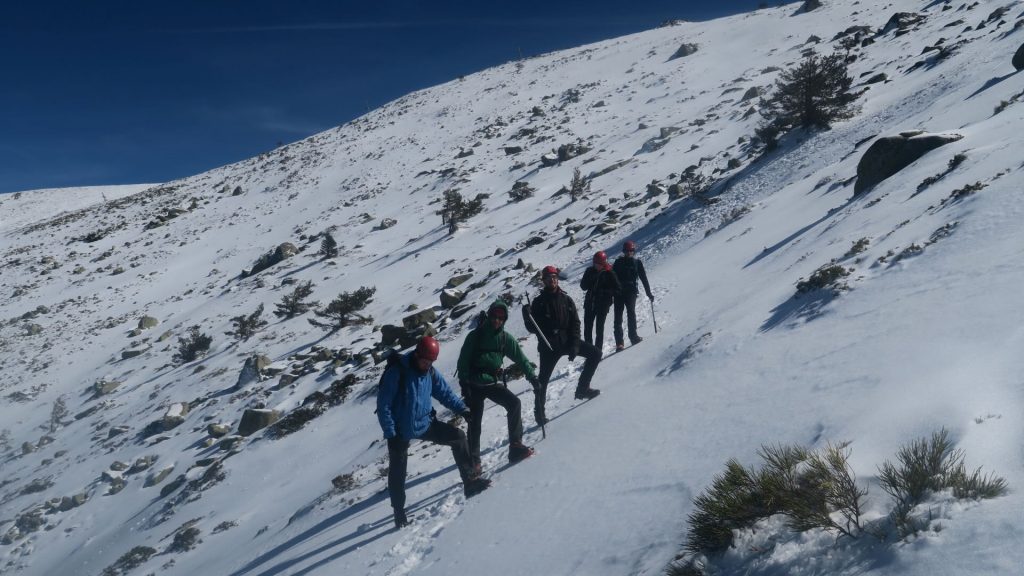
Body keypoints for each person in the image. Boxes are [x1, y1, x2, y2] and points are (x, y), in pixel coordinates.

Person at [377, 336, 491, 529]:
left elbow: (444, 393)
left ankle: (470, 482)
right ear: (417, 354)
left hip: (425, 423)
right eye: (424, 360)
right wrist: (390, 432)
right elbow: (384, 405)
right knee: (398, 471)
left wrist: (462, 409)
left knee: (458, 437)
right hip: (399, 430)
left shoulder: (430, 372)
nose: (426, 364)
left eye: (430, 362)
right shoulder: (398, 372)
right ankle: (399, 512)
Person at [457, 300, 540, 468]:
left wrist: (532, 377)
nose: (497, 320)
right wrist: (464, 384)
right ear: (489, 315)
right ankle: (474, 461)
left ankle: (515, 446)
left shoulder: (505, 339)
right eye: (494, 316)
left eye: (501, 317)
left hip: (491, 383)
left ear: (505, 319)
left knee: (514, 404)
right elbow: (463, 361)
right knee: (475, 422)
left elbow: (521, 359)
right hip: (473, 384)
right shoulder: (475, 336)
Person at [523, 265, 602, 426]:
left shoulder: (566, 299)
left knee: (595, 354)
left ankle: (583, 389)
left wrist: (574, 345)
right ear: (543, 281)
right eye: (548, 278)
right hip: (548, 346)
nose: (552, 280)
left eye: (554, 277)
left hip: (567, 341)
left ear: (557, 279)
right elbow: (533, 329)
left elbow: (575, 323)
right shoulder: (538, 303)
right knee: (542, 381)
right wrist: (527, 317)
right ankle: (539, 413)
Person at [612, 239, 654, 352]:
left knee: (631, 313)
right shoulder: (617, 263)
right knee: (618, 317)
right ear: (624, 251)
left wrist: (648, 293)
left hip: (631, 292)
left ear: (633, 251)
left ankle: (633, 336)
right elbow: (612, 278)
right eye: (626, 250)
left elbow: (644, 278)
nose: (628, 252)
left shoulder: (637, 263)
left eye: (630, 250)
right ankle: (619, 343)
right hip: (619, 292)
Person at [580, 251, 622, 351]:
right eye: (595, 263)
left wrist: (606, 292)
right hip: (590, 303)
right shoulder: (589, 271)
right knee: (587, 330)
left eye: (599, 264)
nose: (596, 266)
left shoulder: (609, 272)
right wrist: (592, 278)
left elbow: (618, 288)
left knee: (599, 329)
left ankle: (597, 352)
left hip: (603, 304)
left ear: (604, 263)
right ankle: (589, 352)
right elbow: (583, 286)